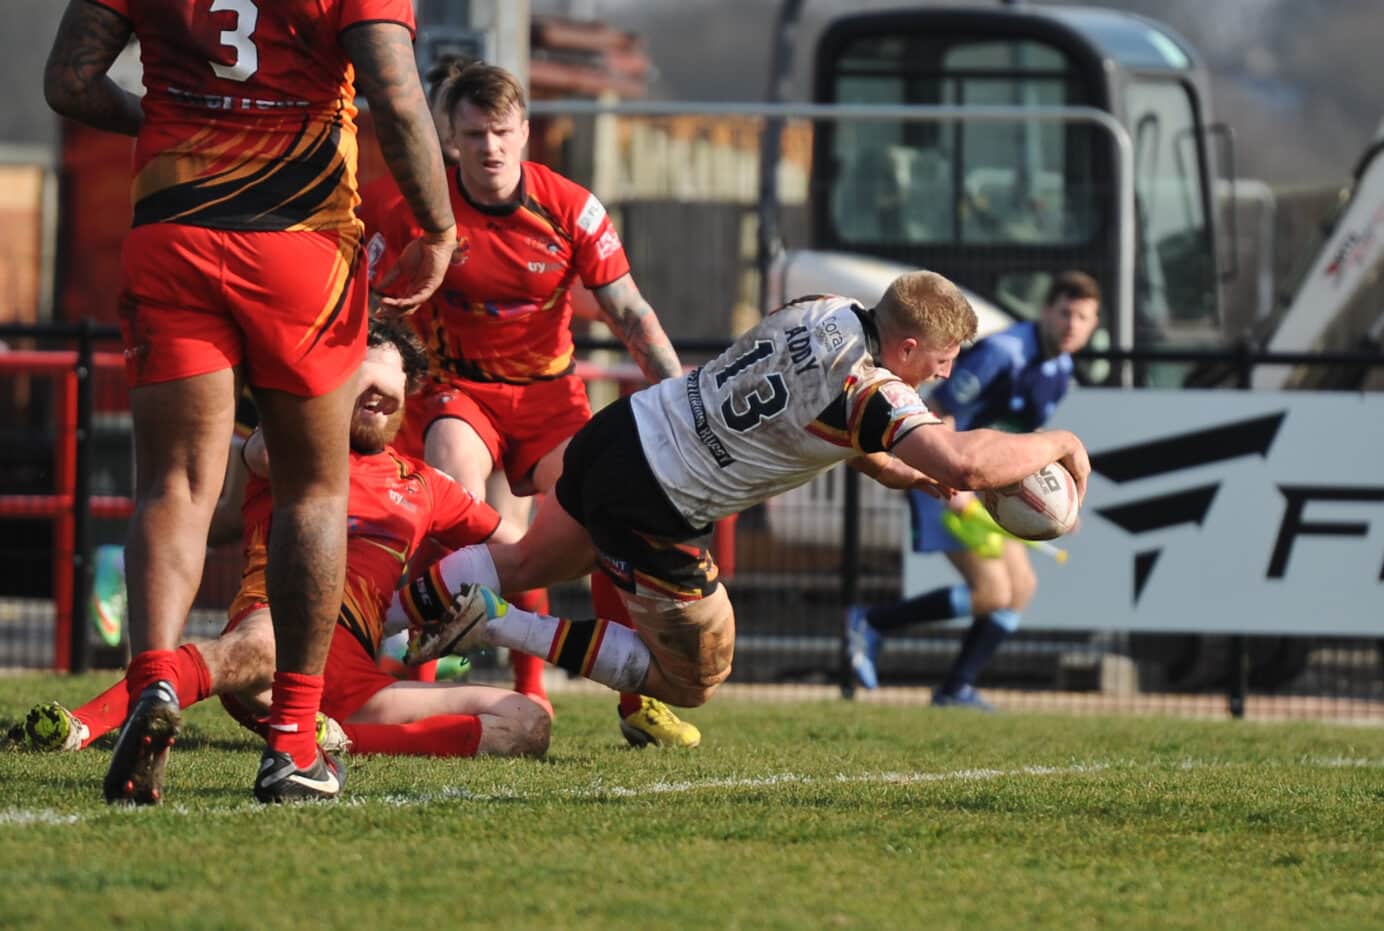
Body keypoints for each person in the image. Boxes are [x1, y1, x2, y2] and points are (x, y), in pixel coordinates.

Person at [43, 0, 457, 804]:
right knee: (312, 486)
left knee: (175, 484)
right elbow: (397, 94)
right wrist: (437, 226)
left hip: (173, 229)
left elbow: (69, 82)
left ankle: (155, 679)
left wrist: (163, 122)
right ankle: (294, 742)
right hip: (300, 242)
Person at [391, 271, 1092, 715]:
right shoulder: (869, 387)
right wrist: (1059, 441)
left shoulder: (825, 308)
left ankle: (374, 620)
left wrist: (916, 471)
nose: (944, 373)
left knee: (524, 565)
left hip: (625, 429)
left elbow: (851, 440)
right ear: (906, 348)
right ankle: (497, 623)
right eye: (942, 360)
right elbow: (966, 461)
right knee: (693, 676)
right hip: (656, 496)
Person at [11, 321, 547, 769]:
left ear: (408, 399)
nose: (378, 403)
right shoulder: (290, 446)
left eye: (391, 393)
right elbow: (264, 451)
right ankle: (77, 727)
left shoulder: (426, 484)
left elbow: (524, 553)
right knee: (267, 644)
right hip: (274, 633)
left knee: (527, 724)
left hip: (358, 686)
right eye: (364, 389)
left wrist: (483, 604)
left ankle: (328, 739)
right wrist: (326, 396)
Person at [364, 60, 700, 747]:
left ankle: (635, 698)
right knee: (452, 489)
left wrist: (679, 397)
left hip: (550, 397)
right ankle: (427, 682)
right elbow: (364, 306)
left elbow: (631, 312)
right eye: (474, 133)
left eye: (502, 132)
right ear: (450, 139)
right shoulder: (418, 213)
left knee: (603, 519)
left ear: (525, 132)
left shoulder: (572, 207)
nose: (489, 146)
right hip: (463, 392)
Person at [846, 271, 1102, 709]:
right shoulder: (1004, 353)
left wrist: (1059, 503)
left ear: (1094, 326)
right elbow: (939, 411)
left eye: (1083, 317)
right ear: (1045, 312)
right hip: (950, 479)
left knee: (1020, 588)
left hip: (994, 489)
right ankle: (871, 622)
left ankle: (955, 688)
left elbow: (1027, 436)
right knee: (993, 591)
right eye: (1065, 313)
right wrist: (956, 481)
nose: (1071, 325)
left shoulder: (1060, 369)